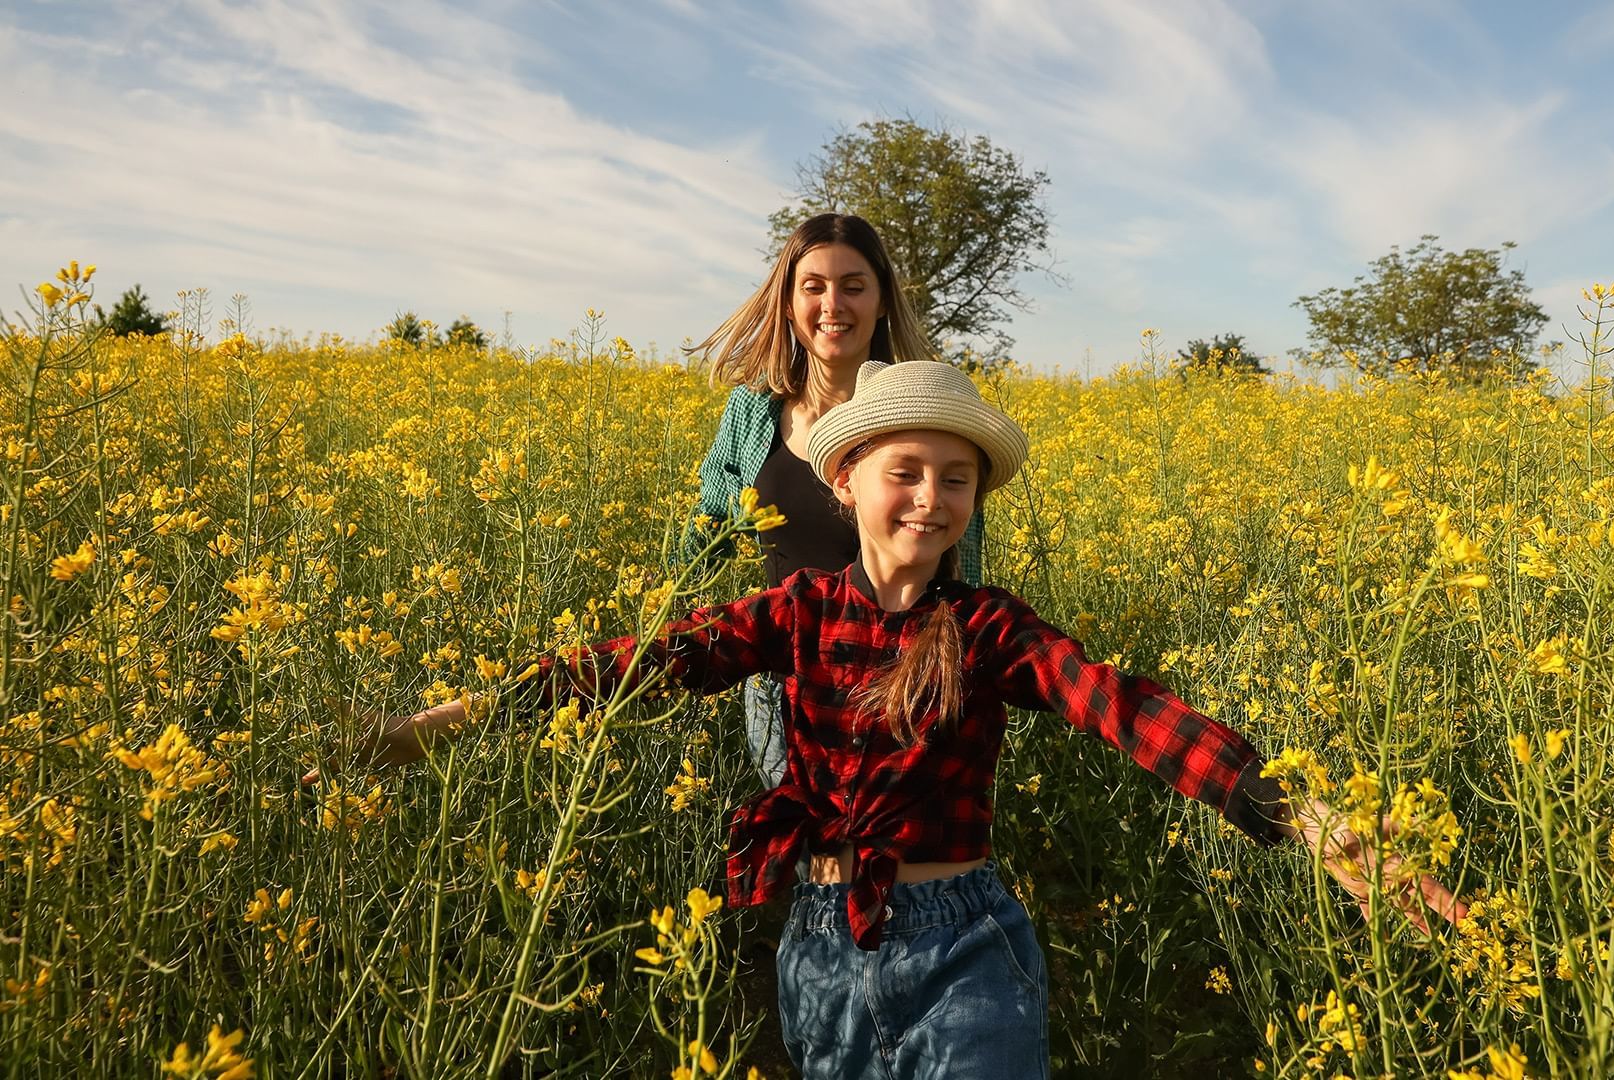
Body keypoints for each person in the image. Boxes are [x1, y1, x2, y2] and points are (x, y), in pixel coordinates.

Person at [334, 362, 1466, 1079]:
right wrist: (468, 714)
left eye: (957, 480)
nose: (932, 497)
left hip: (966, 949)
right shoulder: (795, 611)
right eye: (907, 470)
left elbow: (1131, 714)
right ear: (848, 484)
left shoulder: (991, 630)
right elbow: (648, 663)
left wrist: (1310, 821)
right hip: (818, 946)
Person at [681, 213, 984, 788]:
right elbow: (708, 530)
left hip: (897, 680)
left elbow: (959, 564)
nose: (832, 305)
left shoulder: (922, 412)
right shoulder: (753, 412)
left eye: (853, 286)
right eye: (813, 286)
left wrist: (947, 681)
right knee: (809, 862)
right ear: (789, 302)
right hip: (781, 679)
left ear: (882, 301)